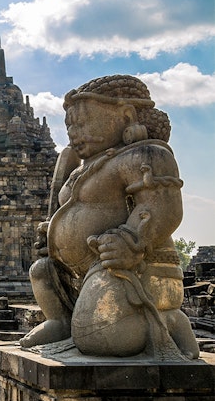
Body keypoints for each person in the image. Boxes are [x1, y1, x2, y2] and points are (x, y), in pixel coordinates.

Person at [19, 75, 198, 360]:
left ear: (126, 116)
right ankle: (60, 321)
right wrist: (53, 231)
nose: (74, 133)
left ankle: (170, 321)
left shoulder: (145, 154)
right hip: (80, 271)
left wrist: (132, 241)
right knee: (41, 271)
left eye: (83, 123)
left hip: (132, 268)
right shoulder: (83, 167)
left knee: (101, 338)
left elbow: (163, 208)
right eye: (70, 126)